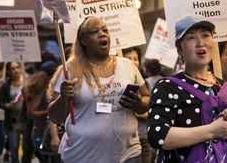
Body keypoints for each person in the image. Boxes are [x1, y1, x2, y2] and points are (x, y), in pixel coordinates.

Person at [148, 14, 227, 162]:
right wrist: (213, 131)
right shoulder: (167, 87)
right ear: (179, 50)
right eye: (191, 37)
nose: (200, 42)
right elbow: (158, 136)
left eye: (206, 35)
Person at [47, 16, 150, 163]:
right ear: (83, 40)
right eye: (94, 32)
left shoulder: (127, 65)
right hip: (84, 155)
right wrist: (63, 97)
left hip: (128, 153)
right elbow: (55, 116)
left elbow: (147, 99)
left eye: (105, 30)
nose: (102, 34)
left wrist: (139, 103)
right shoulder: (69, 69)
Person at [124, 48, 156, 163]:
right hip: (124, 140)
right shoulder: (118, 82)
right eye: (128, 58)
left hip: (143, 137)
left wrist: (138, 109)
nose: (132, 62)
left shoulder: (145, 84)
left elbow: (154, 111)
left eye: (135, 58)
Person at [25, 61, 61, 163]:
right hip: (41, 132)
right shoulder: (41, 91)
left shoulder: (50, 88)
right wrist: (48, 111)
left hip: (45, 131)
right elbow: (31, 113)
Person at [0, 62, 32, 163]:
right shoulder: (5, 85)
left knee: (27, 147)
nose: (16, 70)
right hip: (12, 121)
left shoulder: (27, 81)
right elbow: (0, 102)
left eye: (18, 67)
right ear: (8, 71)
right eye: (13, 68)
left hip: (26, 120)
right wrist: (7, 106)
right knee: (13, 147)